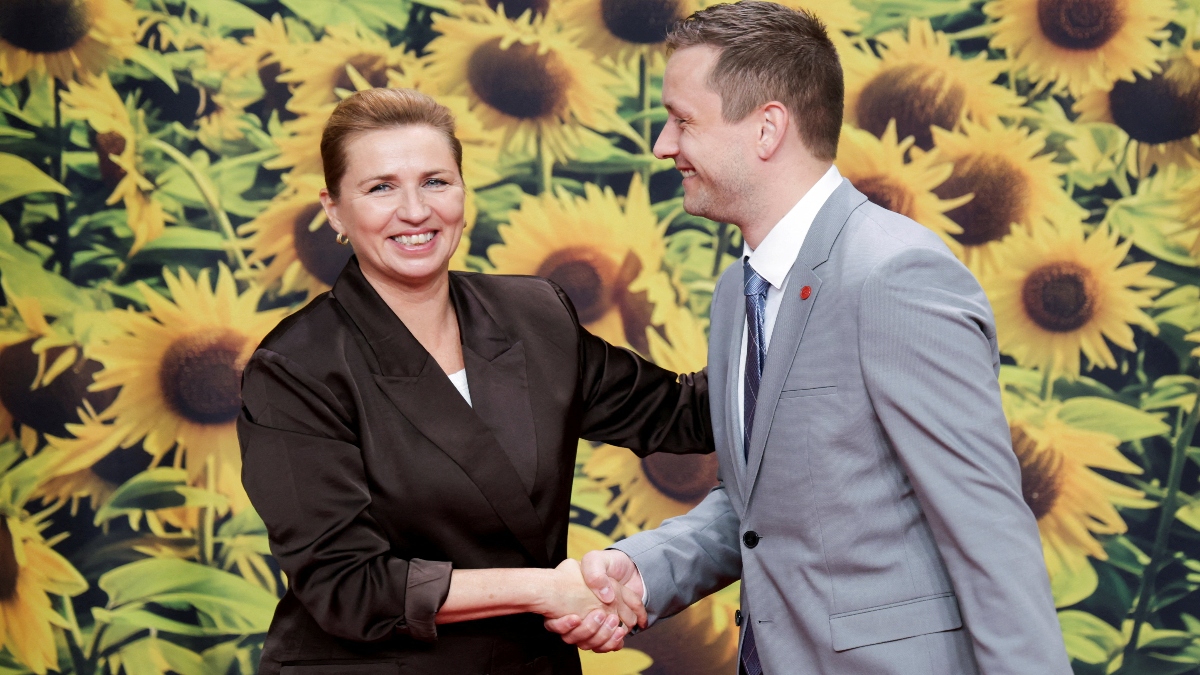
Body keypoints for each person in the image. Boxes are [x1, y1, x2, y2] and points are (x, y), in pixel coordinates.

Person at [547, 3, 1072, 674]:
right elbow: (764, 506)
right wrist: (645, 570)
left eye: (682, 120)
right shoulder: (738, 293)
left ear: (767, 128)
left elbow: (988, 535)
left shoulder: (894, 276)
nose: (662, 144)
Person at [237, 87, 712, 675]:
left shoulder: (534, 314)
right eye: (381, 187)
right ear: (334, 209)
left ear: (464, 190)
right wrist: (547, 591)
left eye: (436, 182)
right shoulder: (294, 368)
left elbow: (686, 415)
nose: (415, 211)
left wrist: (801, 310)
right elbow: (348, 585)